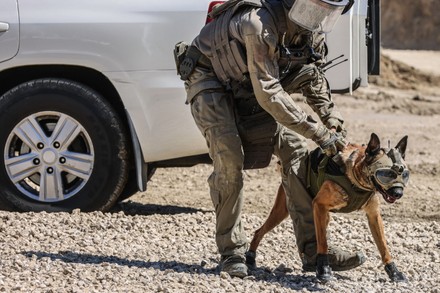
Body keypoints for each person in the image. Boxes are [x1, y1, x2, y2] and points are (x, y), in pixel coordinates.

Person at [175, 0, 364, 277]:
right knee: (229, 157)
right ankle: (232, 253)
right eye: (314, 8)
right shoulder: (258, 25)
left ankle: (314, 251)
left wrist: (331, 119)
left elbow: (312, 77)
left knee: (296, 149)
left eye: (326, 11)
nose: (318, 17)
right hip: (210, 78)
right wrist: (320, 134)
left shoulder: (308, 29)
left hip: (247, 83)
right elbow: (270, 94)